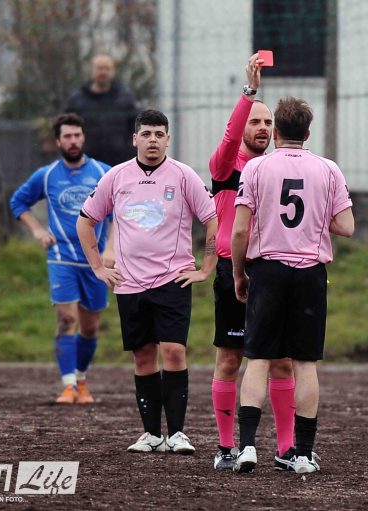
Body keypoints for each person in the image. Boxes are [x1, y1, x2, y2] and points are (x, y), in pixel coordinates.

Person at [77, 109, 218, 454]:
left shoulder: (183, 175)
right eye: (146, 134)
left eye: (159, 134)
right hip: (129, 283)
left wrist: (205, 268)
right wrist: (97, 267)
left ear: (168, 139)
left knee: (174, 351)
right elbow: (85, 221)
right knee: (143, 357)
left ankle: (178, 433)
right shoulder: (116, 177)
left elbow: (214, 219)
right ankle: (152, 434)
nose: (152, 140)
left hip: (173, 279)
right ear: (135, 139)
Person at [230, 96, 354, 474]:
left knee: (258, 359)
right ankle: (302, 454)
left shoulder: (256, 168)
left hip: (268, 269)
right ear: (308, 133)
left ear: (276, 133)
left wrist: (239, 273)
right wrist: (317, 215)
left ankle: (247, 448)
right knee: (304, 363)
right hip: (309, 273)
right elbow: (347, 226)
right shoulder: (328, 169)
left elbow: (239, 230)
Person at [208, 53, 297, 471]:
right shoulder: (226, 165)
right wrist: (250, 92)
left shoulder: (278, 168)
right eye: (254, 121)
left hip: (271, 271)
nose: (261, 127)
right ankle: (227, 447)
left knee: (281, 361)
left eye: (267, 123)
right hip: (232, 271)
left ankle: (287, 448)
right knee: (230, 359)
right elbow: (229, 139)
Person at [9, 113, 112, 405]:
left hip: (95, 262)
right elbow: (18, 202)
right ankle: (68, 387)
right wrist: (38, 230)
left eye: (77, 135)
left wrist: (112, 249)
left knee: (89, 327)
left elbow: (120, 211)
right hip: (61, 258)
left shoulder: (104, 173)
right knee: (67, 319)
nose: (73, 141)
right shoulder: (47, 175)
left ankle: (81, 380)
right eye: (67, 136)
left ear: (84, 137)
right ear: (58, 141)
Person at [65, 54, 138, 166]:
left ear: (113, 72)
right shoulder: (77, 100)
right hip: (86, 164)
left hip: (119, 163)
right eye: (99, 68)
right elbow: (66, 128)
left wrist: (130, 154)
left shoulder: (126, 100)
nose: (103, 72)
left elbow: (136, 128)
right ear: (92, 71)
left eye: (107, 69)